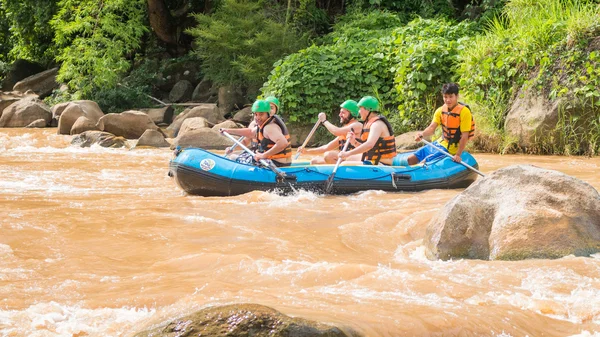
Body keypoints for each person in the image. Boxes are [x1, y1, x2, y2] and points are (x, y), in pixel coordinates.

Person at [401, 83, 475, 165]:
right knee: (410, 159)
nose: (448, 100)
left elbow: (464, 136)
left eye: (451, 97)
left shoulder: (464, 112)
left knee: (424, 163)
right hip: (439, 143)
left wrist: (458, 154)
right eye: (445, 97)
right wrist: (422, 134)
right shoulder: (440, 110)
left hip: (451, 149)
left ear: (457, 96)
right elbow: (432, 128)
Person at [298, 100, 363, 164]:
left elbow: (336, 131)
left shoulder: (357, 125)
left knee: (329, 155)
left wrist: (324, 121)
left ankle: (339, 173)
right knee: (315, 161)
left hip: (355, 159)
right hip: (345, 159)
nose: (340, 115)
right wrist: (306, 152)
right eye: (340, 112)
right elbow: (326, 147)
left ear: (352, 114)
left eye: (343, 113)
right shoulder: (345, 131)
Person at [338, 96, 397, 165]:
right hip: (374, 160)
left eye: (360, 109)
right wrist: (354, 142)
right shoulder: (370, 123)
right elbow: (369, 150)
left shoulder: (377, 125)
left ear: (368, 110)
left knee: (344, 164)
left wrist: (348, 153)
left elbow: (369, 145)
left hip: (382, 164)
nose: (359, 112)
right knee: (350, 158)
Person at [222, 95, 281, 163]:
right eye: (267, 107)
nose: (269, 110)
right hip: (256, 154)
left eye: (272, 108)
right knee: (232, 155)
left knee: (233, 157)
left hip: (268, 158)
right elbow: (245, 142)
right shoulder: (253, 124)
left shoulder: (274, 125)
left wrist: (263, 155)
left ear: (276, 111)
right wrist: (233, 149)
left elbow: (281, 144)